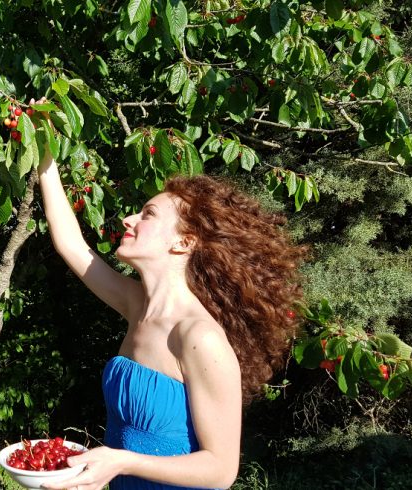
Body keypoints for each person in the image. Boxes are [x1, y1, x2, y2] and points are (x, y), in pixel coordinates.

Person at [37, 134, 307, 489]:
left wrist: (120, 461)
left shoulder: (198, 337)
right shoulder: (138, 306)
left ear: (184, 242)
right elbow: (71, 245)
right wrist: (44, 152)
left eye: (147, 214)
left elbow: (221, 471)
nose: (129, 219)